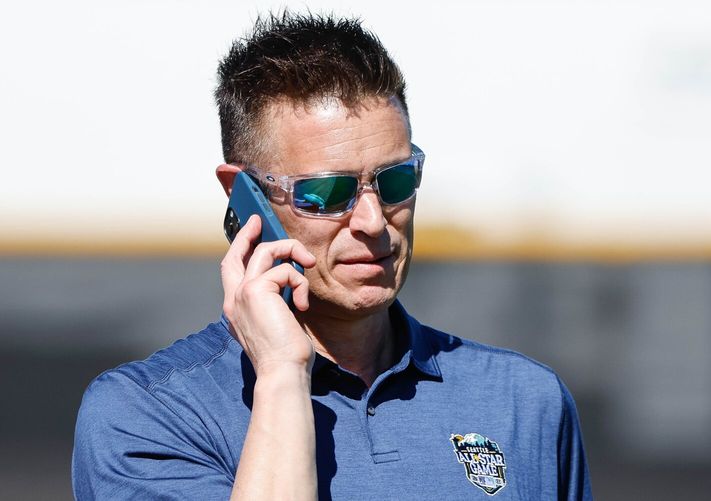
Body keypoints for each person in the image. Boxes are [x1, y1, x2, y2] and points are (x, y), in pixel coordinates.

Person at [72, 12, 592, 500]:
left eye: (396, 180)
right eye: (327, 193)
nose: (372, 220)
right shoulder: (146, 414)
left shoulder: (525, 399)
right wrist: (280, 374)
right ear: (243, 195)